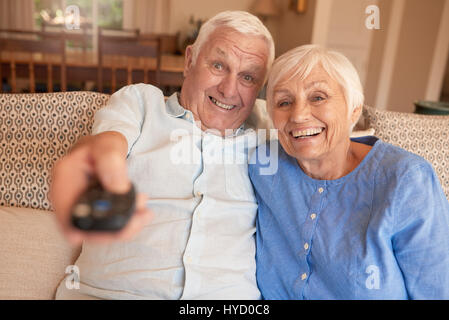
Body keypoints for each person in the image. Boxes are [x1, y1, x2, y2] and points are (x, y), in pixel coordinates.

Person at [51, 11, 275, 300]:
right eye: (218, 65)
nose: (229, 89)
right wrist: (98, 164)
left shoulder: (270, 134)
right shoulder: (142, 103)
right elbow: (108, 143)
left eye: (248, 77)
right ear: (189, 60)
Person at [249, 44, 449, 299]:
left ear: (354, 108)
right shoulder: (263, 166)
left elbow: (436, 291)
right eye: (284, 102)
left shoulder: (406, 180)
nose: (298, 115)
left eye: (318, 97)